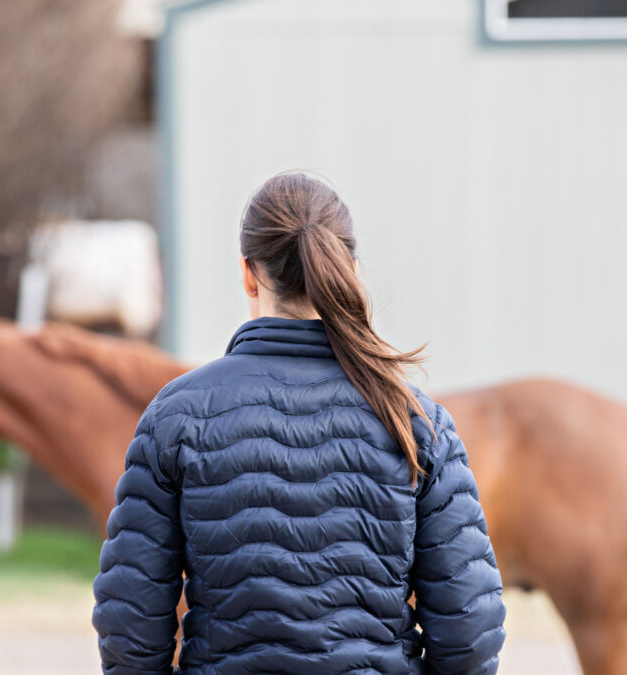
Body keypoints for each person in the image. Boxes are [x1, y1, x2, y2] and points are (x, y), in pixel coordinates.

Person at [93, 173, 506, 673]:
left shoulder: (175, 416)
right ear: (351, 271)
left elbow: (129, 629)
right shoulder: (416, 420)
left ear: (248, 275)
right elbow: (470, 637)